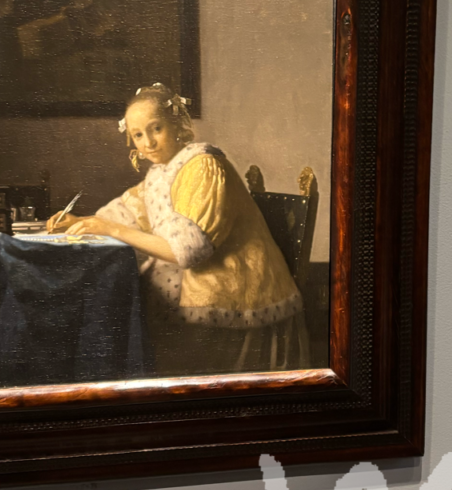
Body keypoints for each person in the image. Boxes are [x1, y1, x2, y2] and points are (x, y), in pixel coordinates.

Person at [47, 83, 306, 375]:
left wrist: (111, 230)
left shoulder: (203, 166)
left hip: (233, 301)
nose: (148, 143)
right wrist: (80, 221)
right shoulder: (161, 173)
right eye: (138, 135)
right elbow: (128, 212)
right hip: (202, 291)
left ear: (176, 125)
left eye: (156, 129)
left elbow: (187, 252)